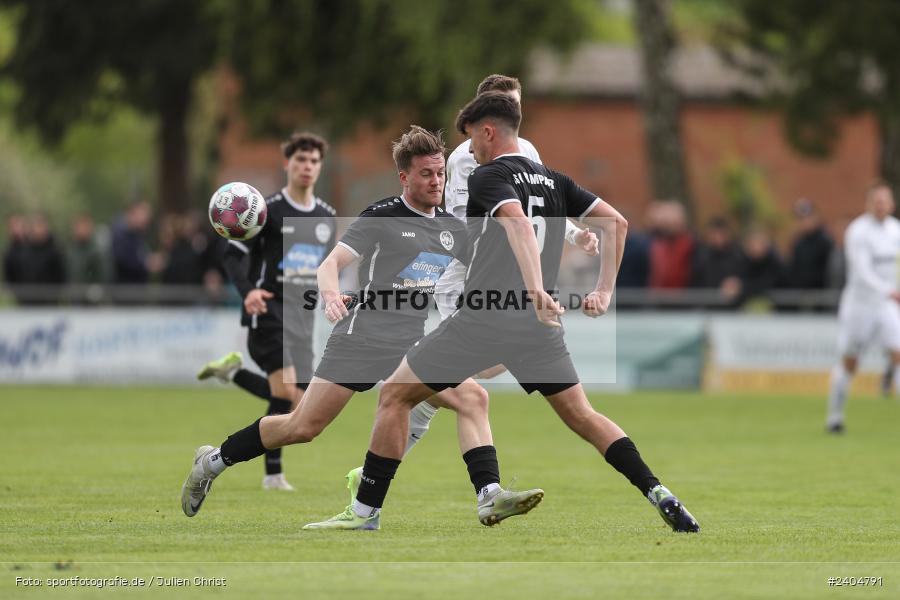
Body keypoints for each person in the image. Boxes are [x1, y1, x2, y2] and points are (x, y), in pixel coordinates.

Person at [304, 92, 699, 532]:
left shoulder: (487, 176)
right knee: (582, 416)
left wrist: (534, 288)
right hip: (538, 328)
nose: (469, 150)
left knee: (396, 394)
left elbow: (516, 222)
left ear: (488, 131)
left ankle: (365, 512)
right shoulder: (556, 180)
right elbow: (617, 223)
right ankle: (658, 491)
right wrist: (603, 291)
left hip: (483, 320)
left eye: (472, 138)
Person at [182, 126, 543, 527]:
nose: (436, 181)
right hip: (361, 339)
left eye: (440, 173)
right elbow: (330, 264)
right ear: (404, 177)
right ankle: (212, 462)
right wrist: (332, 296)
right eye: (426, 174)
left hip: (410, 344)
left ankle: (485, 495)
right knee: (302, 426)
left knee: (472, 397)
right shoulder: (381, 216)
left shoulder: (453, 229)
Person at [392, 73, 599, 474]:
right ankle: (409, 387)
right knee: (471, 379)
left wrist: (575, 234)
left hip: (508, 276)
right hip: (467, 276)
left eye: (517, 104)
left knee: (471, 371)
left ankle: (410, 383)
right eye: (507, 103)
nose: (514, 111)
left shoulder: (527, 149)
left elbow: (538, 207)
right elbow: (463, 224)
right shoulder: (464, 159)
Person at [196, 132, 336, 490]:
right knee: (286, 392)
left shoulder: (326, 216)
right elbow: (233, 255)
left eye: (314, 161)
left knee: (300, 405)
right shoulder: (264, 211)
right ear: (287, 163)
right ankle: (273, 475)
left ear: (320, 166)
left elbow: (322, 268)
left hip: (302, 317)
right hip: (269, 309)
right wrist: (248, 292)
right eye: (300, 159)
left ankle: (233, 373)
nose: (307, 166)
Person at [826, 182, 900, 433]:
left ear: (892, 204)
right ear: (868, 204)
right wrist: (888, 290)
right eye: (876, 201)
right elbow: (862, 270)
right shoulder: (858, 231)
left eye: (885, 201)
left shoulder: (896, 230)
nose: (881, 205)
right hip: (860, 306)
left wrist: (891, 292)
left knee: (898, 354)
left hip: (886, 306)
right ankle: (835, 418)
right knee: (850, 362)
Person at [788, 199, 833, 290]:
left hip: (821, 293)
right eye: (800, 219)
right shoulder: (798, 243)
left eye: (807, 217)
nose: (804, 222)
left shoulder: (826, 242)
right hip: (801, 292)